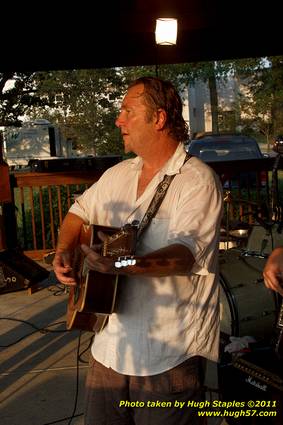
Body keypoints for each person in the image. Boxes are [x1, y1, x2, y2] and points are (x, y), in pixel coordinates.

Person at [53, 76, 223, 425]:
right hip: (110, 346)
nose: (119, 120)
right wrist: (63, 251)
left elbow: (185, 255)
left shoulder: (198, 180)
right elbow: (79, 212)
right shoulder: (118, 174)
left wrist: (124, 263)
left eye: (128, 111)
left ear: (158, 119)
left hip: (167, 353)